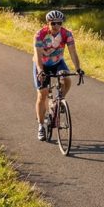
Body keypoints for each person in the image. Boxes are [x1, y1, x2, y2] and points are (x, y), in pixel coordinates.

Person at [33, 10, 83, 140]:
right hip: (42, 64)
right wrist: (40, 71)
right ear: (48, 23)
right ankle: (40, 126)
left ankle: (58, 102)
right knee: (42, 93)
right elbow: (38, 55)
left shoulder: (67, 34)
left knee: (67, 79)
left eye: (59, 23)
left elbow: (73, 52)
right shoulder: (40, 35)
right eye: (53, 23)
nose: (56, 25)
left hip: (57, 62)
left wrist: (78, 68)